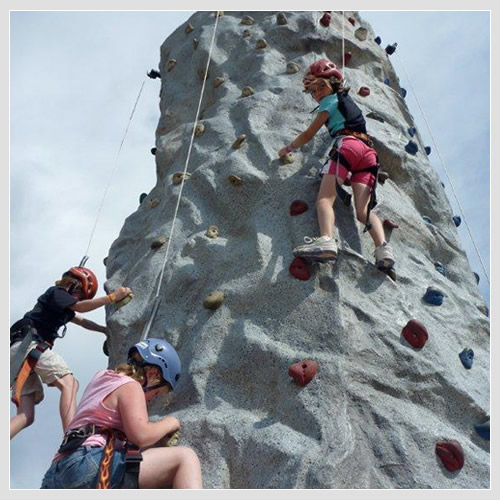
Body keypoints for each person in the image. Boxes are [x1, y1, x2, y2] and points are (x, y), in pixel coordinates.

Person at [278, 58, 395, 269]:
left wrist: (290, 147)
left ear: (333, 84)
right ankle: (383, 250)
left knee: (324, 198)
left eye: (321, 86)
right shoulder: (348, 102)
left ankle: (326, 241)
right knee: (364, 211)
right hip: (368, 154)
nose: (318, 93)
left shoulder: (329, 102)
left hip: (347, 147)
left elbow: (309, 133)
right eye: (313, 91)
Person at [41, 338, 203, 489]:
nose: (152, 399)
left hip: (56, 471)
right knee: (185, 458)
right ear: (153, 375)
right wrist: (171, 422)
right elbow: (141, 435)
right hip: (89, 463)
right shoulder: (131, 386)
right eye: (157, 393)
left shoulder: (101, 377)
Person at [10, 266, 132, 439]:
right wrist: (112, 297)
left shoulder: (59, 307)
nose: (79, 298)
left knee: (26, 416)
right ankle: (72, 433)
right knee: (70, 383)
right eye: (80, 293)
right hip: (28, 345)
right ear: (74, 284)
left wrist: (105, 330)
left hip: (19, 352)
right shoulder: (56, 292)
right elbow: (80, 308)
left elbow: (82, 321)